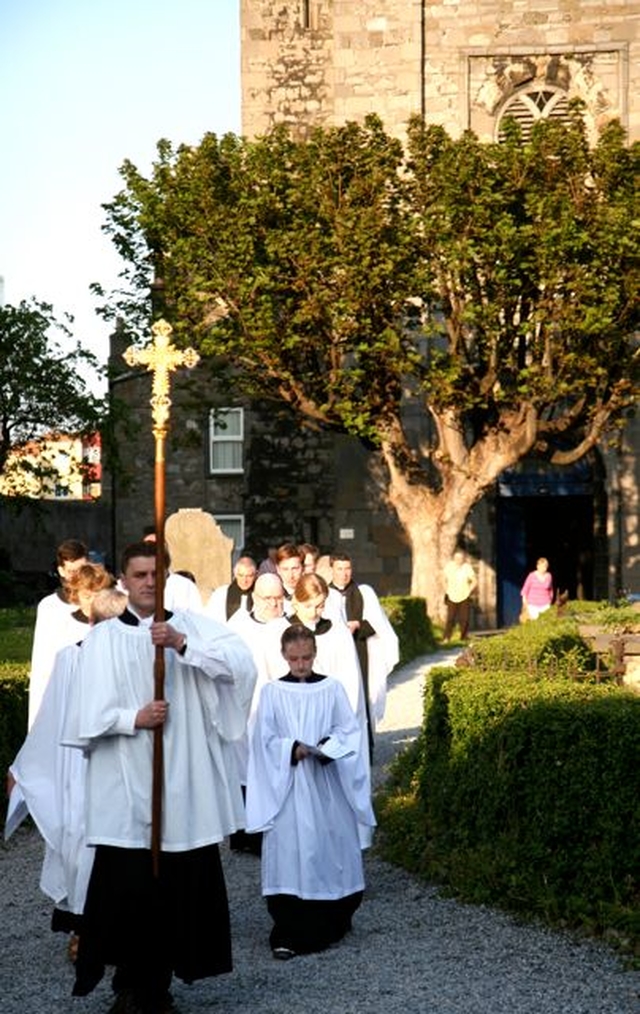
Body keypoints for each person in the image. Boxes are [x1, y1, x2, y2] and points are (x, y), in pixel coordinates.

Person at [67, 540, 257, 1014]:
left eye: (156, 574)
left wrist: (182, 645)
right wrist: (134, 718)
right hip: (127, 787)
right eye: (139, 575)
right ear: (123, 581)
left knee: (177, 890)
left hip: (183, 788)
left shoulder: (193, 628)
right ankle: (130, 986)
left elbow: (242, 670)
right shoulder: (103, 640)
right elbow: (83, 718)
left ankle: (161, 985)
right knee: (130, 891)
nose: (149, 582)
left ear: (168, 577)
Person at [5, 585, 127, 962]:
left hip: (116, 763)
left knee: (107, 847)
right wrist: (26, 769)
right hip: (84, 764)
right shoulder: (72, 659)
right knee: (83, 845)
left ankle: (108, 932)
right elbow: (52, 717)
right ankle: (84, 931)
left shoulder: (129, 656)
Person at [245, 625, 376, 959]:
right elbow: (264, 740)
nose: (300, 664)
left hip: (325, 783)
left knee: (326, 845)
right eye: (294, 658)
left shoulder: (331, 689)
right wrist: (291, 749)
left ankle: (332, 918)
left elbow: (348, 729)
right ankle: (289, 925)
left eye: (306, 657)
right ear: (284, 656)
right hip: (288, 787)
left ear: (314, 654)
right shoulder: (273, 692)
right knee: (291, 850)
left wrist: (327, 748)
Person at [327, 553, 399, 758]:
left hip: (361, 652)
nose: (343, 574)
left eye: (347, 569)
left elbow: (379, 625)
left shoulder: (364, 593)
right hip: (335, 657)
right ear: (332, 569)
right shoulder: (324, 593)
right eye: (339, 569)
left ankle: (364, 748)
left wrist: (359, 625)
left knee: (362, 696)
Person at [28, 538, 88, 727]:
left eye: (82, 570)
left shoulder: (101, 601)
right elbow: (42, 662)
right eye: (72, 571)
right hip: (61, 689)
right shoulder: (49, 607)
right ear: (61, 570)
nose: (77, 577)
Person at [204, 555, 257, 623]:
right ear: (235, 574)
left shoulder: (261, 595)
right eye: (241, 575)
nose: (244, 580)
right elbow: (209, 618)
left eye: (249, 576)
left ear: (255, 575)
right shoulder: (220, 594)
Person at [442, 549, 478, 643]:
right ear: (454, 558)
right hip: (451, 595)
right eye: (457, 558)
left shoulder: (467, 567)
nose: (459, 560)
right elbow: (443, 579)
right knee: (450, 618)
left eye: (461, 558)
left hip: (464, 595)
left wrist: (469, 590)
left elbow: (474, 581)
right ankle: (446, 637)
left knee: (464, 618)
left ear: (463, 559)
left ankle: (463, 637)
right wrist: (447, 590)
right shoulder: (449, 567)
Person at [274, 543, 304, 615]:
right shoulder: (272, 596)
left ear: (303, 568)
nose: (290, 575)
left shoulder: (312, 592)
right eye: (285, 569)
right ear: (278, 569)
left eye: (295, 569)